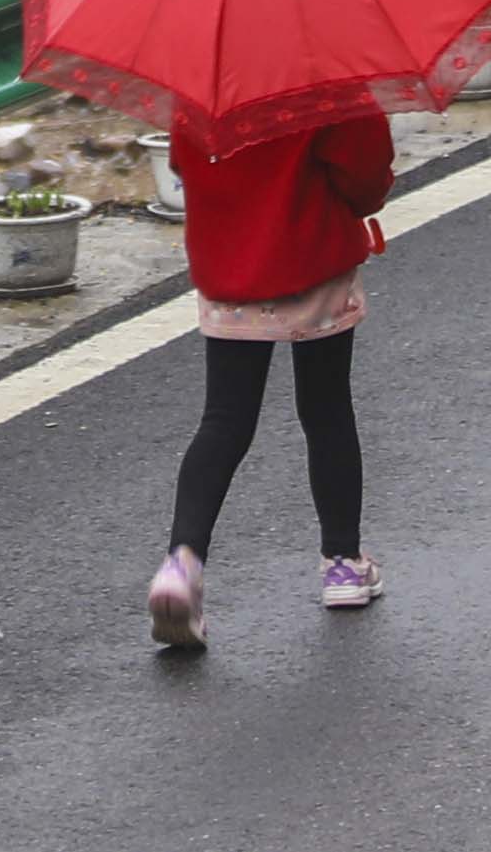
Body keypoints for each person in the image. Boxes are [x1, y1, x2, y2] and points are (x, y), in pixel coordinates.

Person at [145, 103, 389, 650]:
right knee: (326, 410)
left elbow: (184, 165)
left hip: (231, 271)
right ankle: (343, 564)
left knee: (224, 421)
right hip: (313, 263)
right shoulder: (326, 84)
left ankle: (182, 563)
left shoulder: (204, 88)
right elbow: (365, 176)